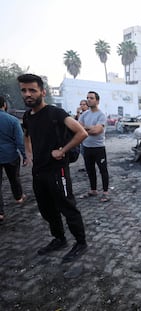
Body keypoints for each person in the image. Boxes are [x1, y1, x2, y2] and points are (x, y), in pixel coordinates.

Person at [18, 73, 88, 263]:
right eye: (24, 90)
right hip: (38, 171)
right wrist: (29, 153)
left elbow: (81, 133)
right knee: (47, 209)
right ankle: (59, 239)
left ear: (43, 92)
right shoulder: (27, 116)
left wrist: (63, 150)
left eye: (32, 90)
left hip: (58, 170)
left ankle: (81, 243)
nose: (27, 94)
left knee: (67, 207)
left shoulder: (55, 113)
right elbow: (26, 135)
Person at [79, 91, 110, 202]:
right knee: (90, 170)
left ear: (97, 100)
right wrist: (89, 128)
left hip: (99, 148)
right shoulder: (84, 115)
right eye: (87, 98)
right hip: (87, 147)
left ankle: (105, 192)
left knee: (103, 170)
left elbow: (97, 131)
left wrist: (85, 129)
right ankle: (93, 190)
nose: (89, 100)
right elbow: (78, 129)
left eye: (91, 98)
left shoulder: (101, 115)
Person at [0, 96, 27, 222]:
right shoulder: (12, 120)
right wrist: (25, 155)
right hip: (10, 155)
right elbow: (20, 140)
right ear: (4, 104)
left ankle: (0, 213)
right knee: (14, 178)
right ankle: (18, 197)